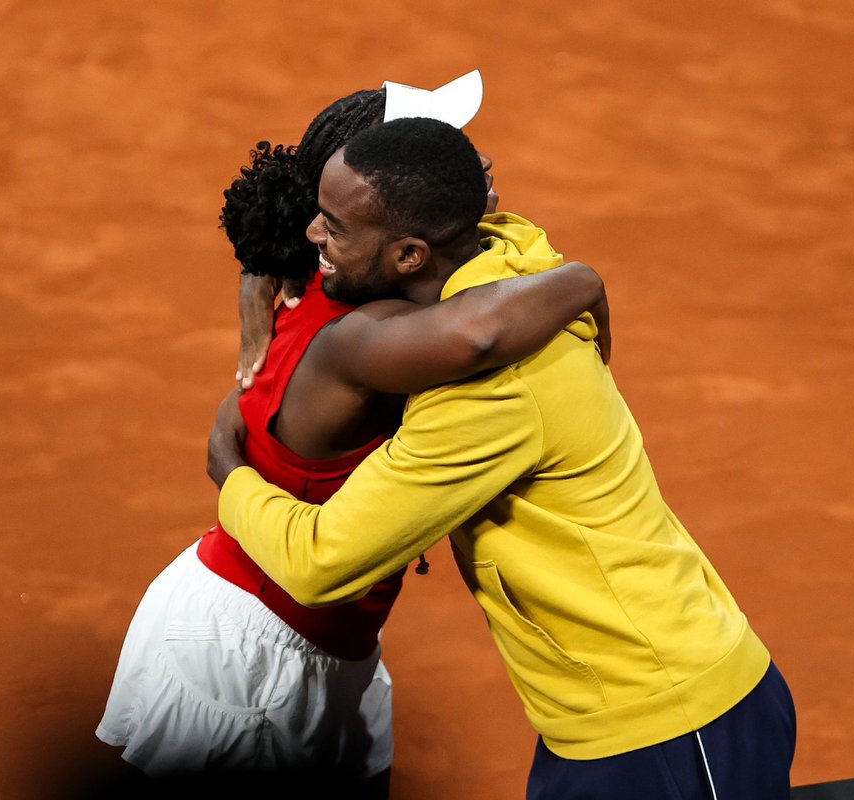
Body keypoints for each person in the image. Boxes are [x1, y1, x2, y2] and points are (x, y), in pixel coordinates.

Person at [208, 117, 797, 799]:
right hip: (605, 722)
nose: (315, 235)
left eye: (333, 227)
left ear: (409, 256)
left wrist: (232, 473)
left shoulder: (488, 394)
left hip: (666, 726)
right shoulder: (509, 258)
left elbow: (320, 563)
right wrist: (262, 264)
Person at [96, 82, 611, 797]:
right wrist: (582, 279)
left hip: (327, 646)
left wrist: (255, 270)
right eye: (449, 147)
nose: (481, 159)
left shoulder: (332, 278)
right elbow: (484, 327)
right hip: (248, 650)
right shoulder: (368, 332)